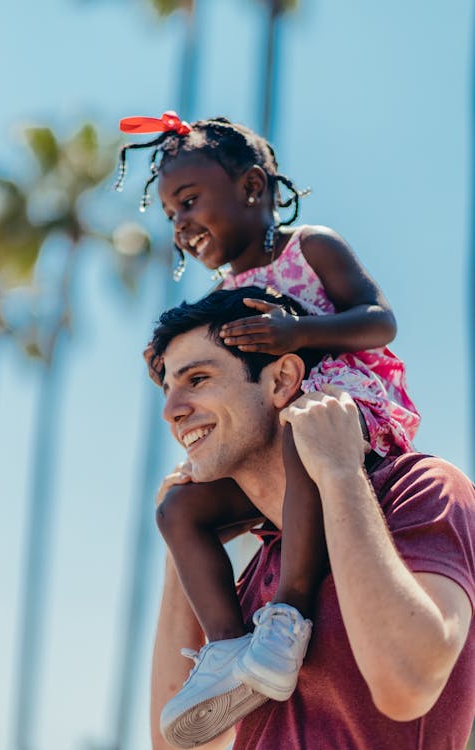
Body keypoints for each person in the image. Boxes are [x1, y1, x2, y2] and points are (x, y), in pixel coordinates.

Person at [114, 112, 422, 734]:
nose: (181, 224)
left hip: (342, 416)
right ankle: (229, 649)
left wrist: (299, 332)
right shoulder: (229, 288)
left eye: (191, 201)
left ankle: (287, 618)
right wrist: (174, 359)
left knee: (298, 430)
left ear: (254, 188)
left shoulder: (312, 247)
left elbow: (379, 319)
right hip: (275, 441)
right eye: (172, 212)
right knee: (178, 509)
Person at [150, 287, 474, 750]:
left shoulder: (422, 490)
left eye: (198, 379)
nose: (171, 411)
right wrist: (177, 554)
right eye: (167, 390)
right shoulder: (249, 575)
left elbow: (408, 686)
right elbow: (176, 746)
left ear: (282, 381)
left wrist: (339, 472)